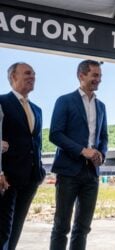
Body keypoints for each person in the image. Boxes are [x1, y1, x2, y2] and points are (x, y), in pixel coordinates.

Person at [49, 60, 108, 250]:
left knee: (83, 228)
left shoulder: (101, 106)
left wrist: (101, 154)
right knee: (61, 226)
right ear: (81, 75)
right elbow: (55, 134)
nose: (98, 80)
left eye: (100, 76)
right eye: (95, 76)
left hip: (91, 174)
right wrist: (83, 151)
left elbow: (104, 137)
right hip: (68, 172)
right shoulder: (64, 101)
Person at [0, 62, 45, 249]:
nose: (32, 76)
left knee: (16, 230)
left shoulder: (37, 109)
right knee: (2, 230)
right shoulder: (2, 101)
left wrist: (40, 171)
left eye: (34, 74)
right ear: (13, 77)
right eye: (27, 73)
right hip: (7, 179)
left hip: (30, 179)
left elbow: (37, 143)